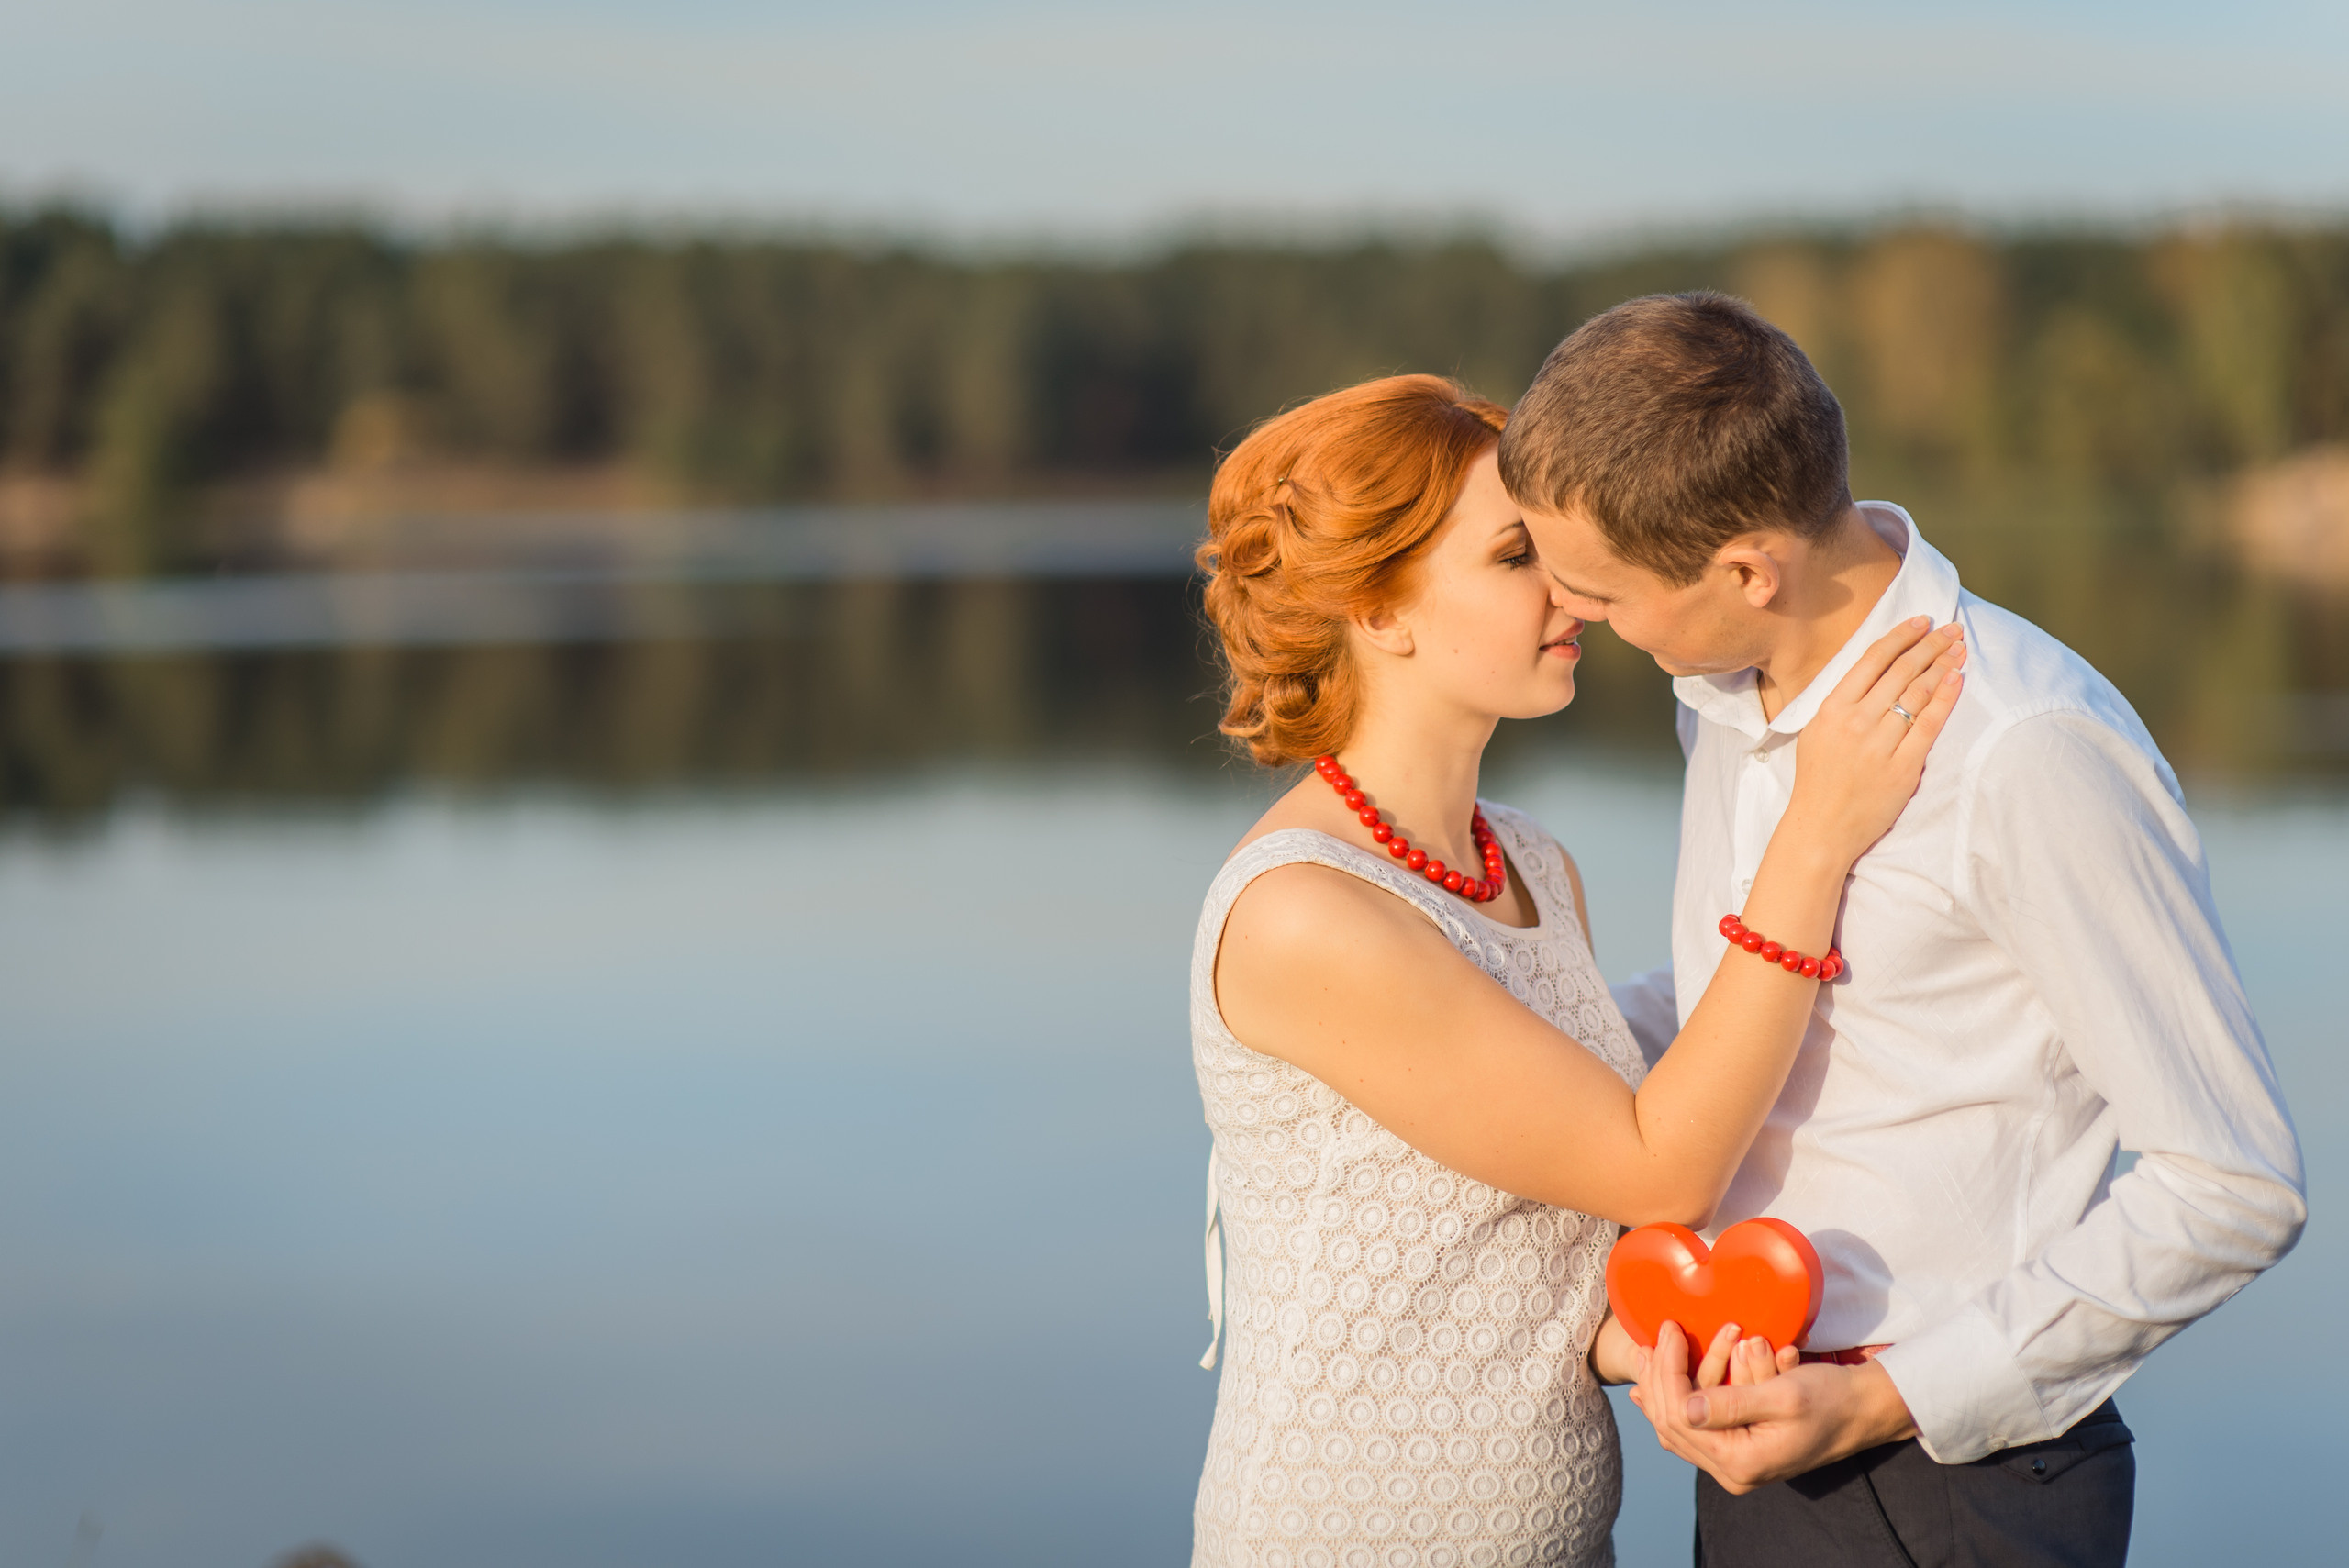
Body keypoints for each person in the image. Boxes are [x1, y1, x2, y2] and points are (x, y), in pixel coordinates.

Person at [1497, 292, 2309, 1567]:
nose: (1577, 614)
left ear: (1748, 570)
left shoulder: (2026, 753)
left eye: (1598, 589)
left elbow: (2237, 1181)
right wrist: (1484, 1039)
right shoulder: (1716, 691)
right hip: (1748, 1441)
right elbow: (1740, 985)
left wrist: (1895, 1393)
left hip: (1959, 1482)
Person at [1187, 373, 1965, 1568]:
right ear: (1379, 608)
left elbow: (1525, 1255)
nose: (1576, 593)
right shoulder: (1306, 913)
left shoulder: (1535, 864)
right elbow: (1658, 1159)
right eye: (1516, 557)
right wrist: (1816, 834)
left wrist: (1672, 1341)